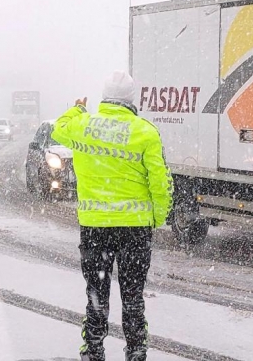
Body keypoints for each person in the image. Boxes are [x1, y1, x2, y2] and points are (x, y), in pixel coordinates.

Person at [51, 71, 173, 361]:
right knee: (132, 297)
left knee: (96, 294)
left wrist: (79, 107)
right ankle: (136, 351)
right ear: (132, 99)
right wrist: (157, 217)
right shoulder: (145, 131)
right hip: (134, 230)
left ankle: (93, 351)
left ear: (104, 97)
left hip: (95, 228)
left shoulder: (82, 125)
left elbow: (58, 128)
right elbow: (160, 181)